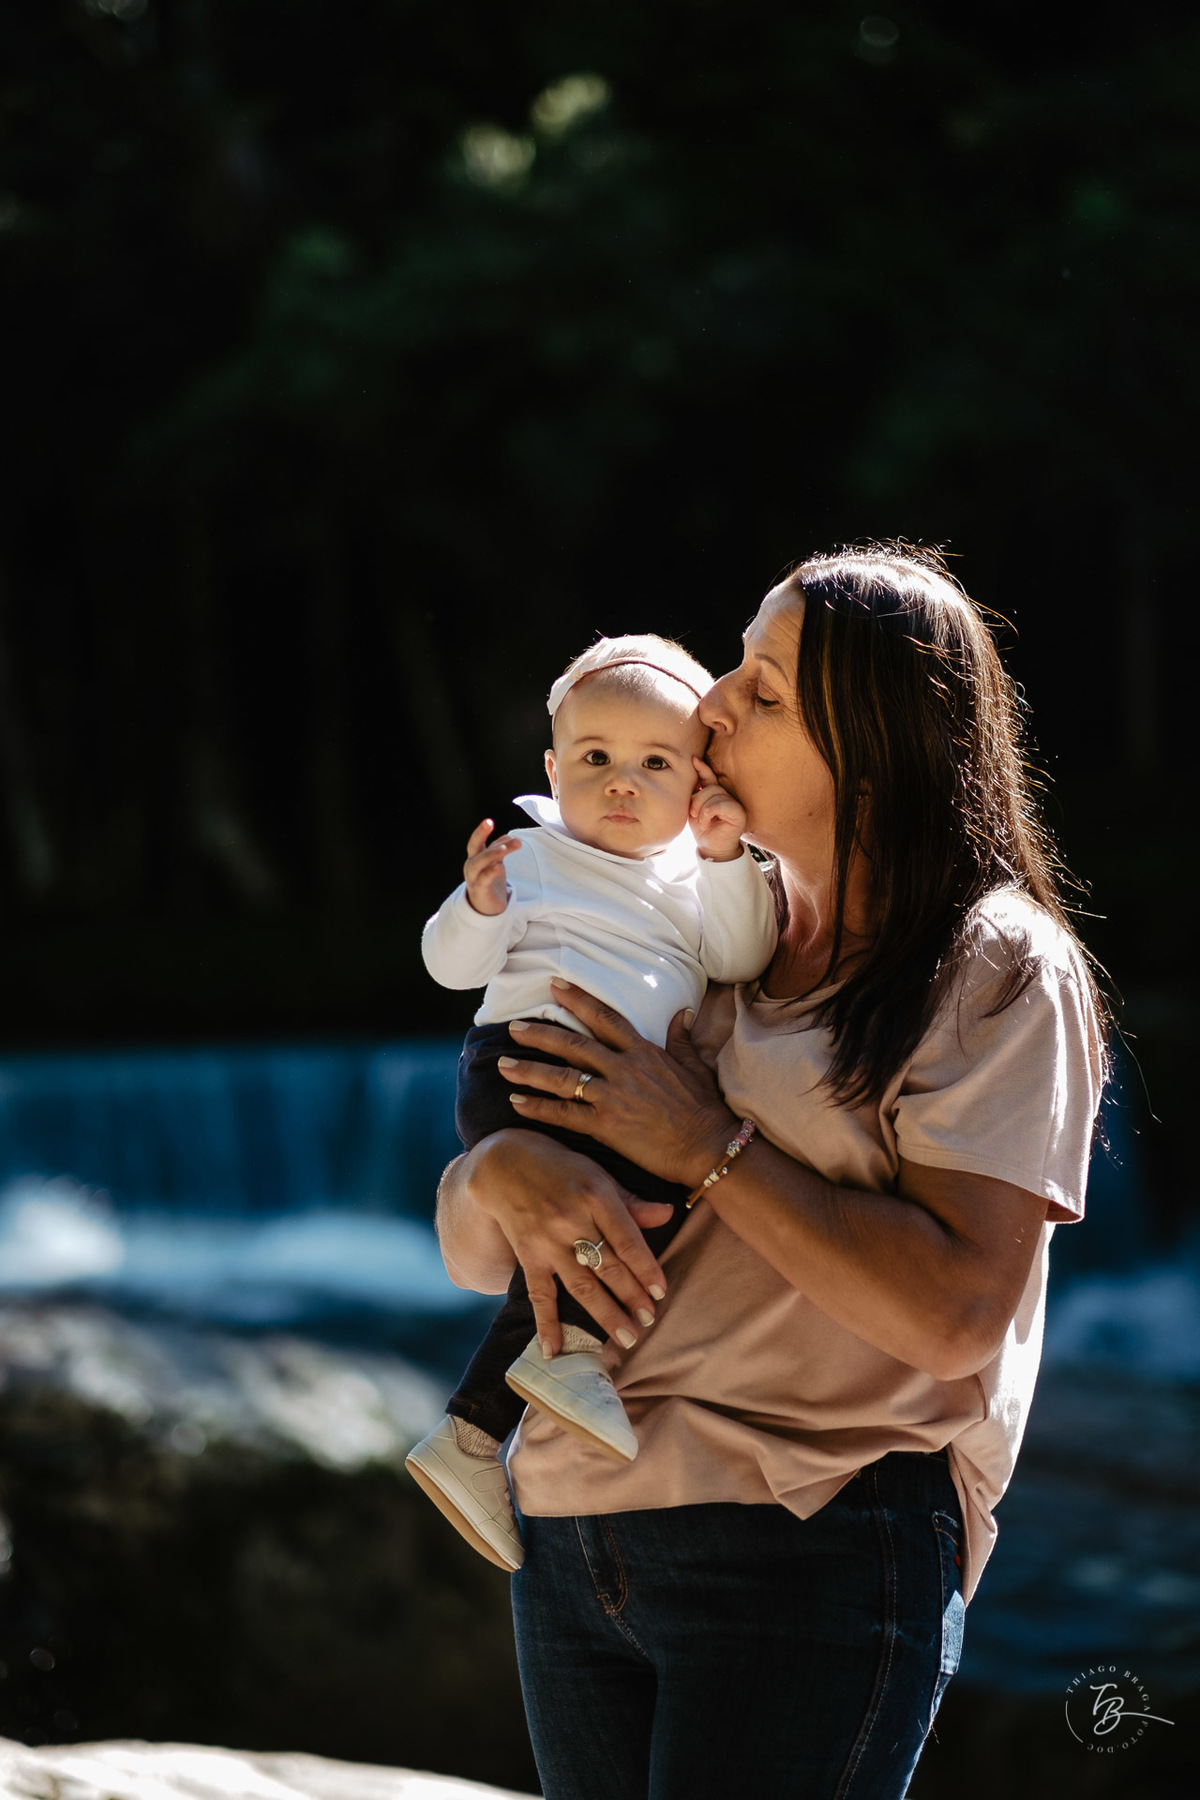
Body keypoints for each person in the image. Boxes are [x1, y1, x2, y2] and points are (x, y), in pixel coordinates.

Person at [434, 544, 1108, 1800]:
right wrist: (497, 1179)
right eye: (736, 668)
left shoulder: (995, 964)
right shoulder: (699, 933)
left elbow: (956, 1312)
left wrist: (710, 1148)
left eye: (765, 688)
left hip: (810, 1533)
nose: (714, 705)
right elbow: (478, 1257)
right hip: (578, 1530)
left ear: (877, 740)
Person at [406, 634, 776, 1572]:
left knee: (643, 1203)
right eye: (595, 759)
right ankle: (546, 1381)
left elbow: (738, 958)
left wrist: (728, 857)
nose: (621, 783)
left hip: (625, 1099)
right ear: (551, 769)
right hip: (523, 1067)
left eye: (655, 763)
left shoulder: (698, 876)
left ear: (699, 780)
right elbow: (450, 968)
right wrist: (477, 907)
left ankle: (477, 1433)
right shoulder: (533, 851)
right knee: (638, 1204)